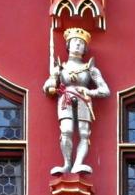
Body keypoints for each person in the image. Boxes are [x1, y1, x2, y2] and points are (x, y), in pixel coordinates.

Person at [43, 27, 110, 175]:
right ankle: (67, 164)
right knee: (66, 130)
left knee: (84, 133)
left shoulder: (90, 69)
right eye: (75, 41)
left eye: (81, 42)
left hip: (83, 99)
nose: (78, 44)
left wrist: (89, 91)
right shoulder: (60, 68)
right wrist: (50, 87)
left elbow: (105, 90)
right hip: (65, 99)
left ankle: (78, 163)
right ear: (68, 45)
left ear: (85, 47)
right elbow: (48, 85)